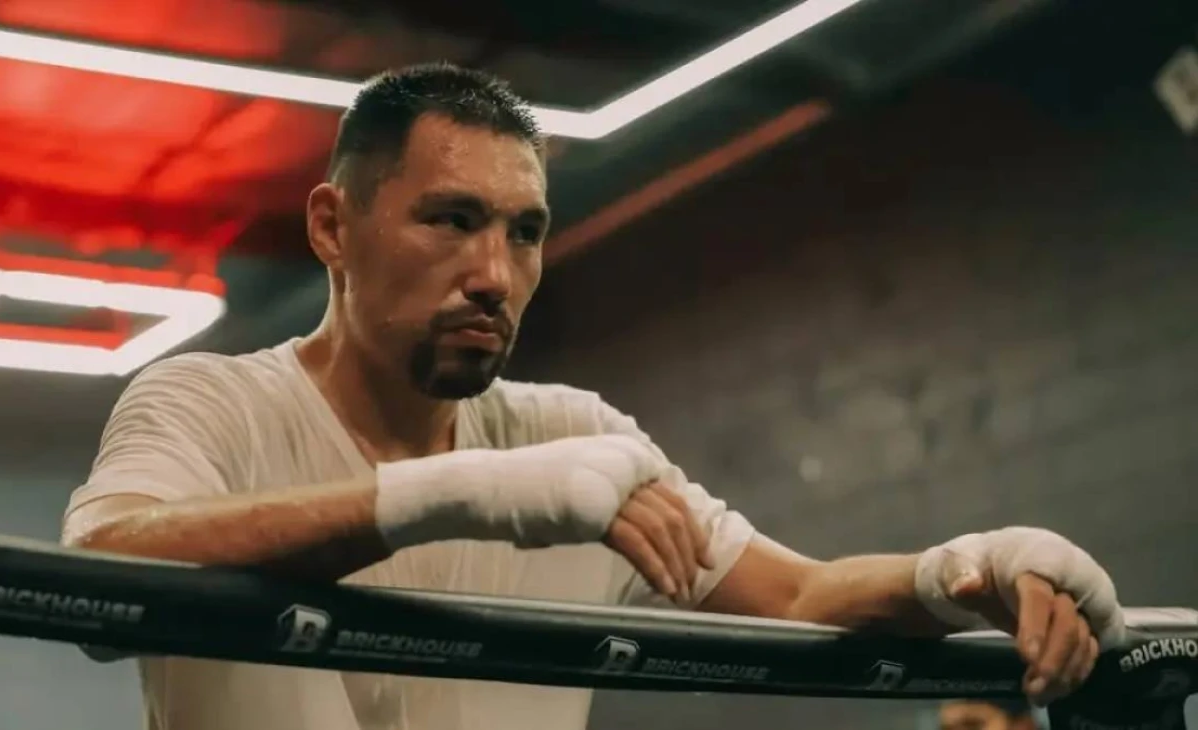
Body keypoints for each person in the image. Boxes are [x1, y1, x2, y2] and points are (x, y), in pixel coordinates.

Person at [60, 62, 1125, 730]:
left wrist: (968, 569)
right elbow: (100, 575)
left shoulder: (571, 440)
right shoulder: (209, 405)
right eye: (450, 220)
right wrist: (462, 493)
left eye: (524, 232)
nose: (495, 273)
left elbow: (800, 597)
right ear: (334, 227)